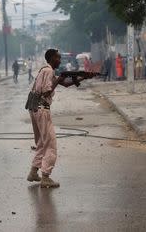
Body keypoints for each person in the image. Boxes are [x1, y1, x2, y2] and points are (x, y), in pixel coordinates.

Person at [27, 49, 89, 188]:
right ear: (51, 58)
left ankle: (33, 172)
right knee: (51, 144)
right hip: (42, 109)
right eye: (58, 58)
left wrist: (83, 77)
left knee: (42, 143)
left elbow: (66, 84)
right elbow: (47, 91)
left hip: (34, 108)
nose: (60, 61)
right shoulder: (49, 71)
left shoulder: (45, 70)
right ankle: (46, 177)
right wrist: (59, 79)